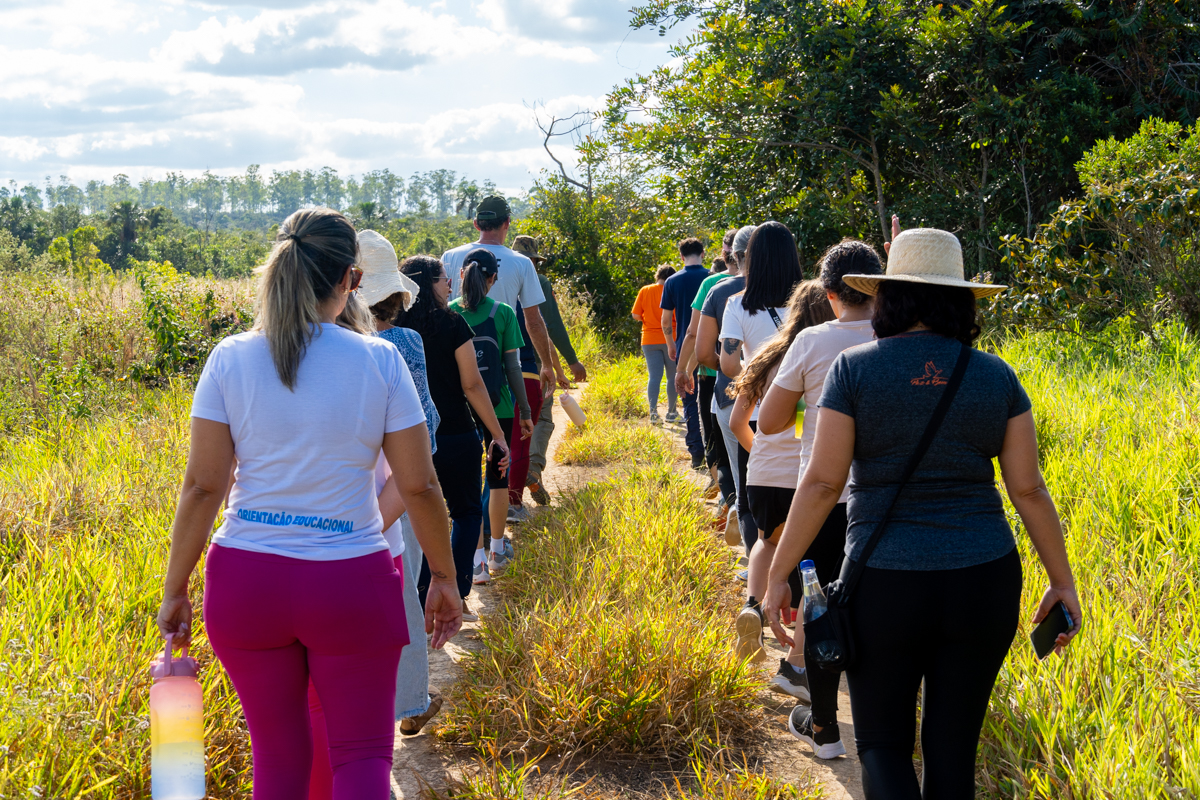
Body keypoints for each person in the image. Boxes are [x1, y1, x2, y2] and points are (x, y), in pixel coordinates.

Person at [155, 208, 462, 799]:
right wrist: (443, 578)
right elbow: (420, 486)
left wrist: (176, 588)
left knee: (276, 758)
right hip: (350, 582)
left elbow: (202, 487)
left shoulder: (230, 357)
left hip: (245, 583)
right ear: (351, 280)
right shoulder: (380, 361)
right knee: (362, 757)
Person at [763, 228, 1082, 795]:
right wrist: (1062, 582)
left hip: (885, 584)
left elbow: (821, 484)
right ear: (960, 299)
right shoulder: (996, 375)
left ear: (888, 296)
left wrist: (781, 575)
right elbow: (1028, 490)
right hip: (984, 580)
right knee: (953, 747)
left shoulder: (854, 370)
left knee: (883, 746)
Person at [748, 240, 883, 743]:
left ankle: (823, 725)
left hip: (824, 493)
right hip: (883, 494)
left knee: (820, 601)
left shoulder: (811, 342)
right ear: (878, 287)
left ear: (828, 294)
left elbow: (773, 421)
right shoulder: (894, 334)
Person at [729, 280, 833, 681]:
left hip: (762, 474)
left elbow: (739, 422)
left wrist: (763, 456)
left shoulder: (767, 356)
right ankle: (800, 656)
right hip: (802, 476)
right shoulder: (820, 355)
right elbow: (805, 428)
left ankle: (752, 607)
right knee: (812, 564)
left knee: (765, 543)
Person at [394, 254, 511, 599]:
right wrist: (498, 434)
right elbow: (472, 385)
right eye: (443, 278)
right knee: (466, 510)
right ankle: (455, 590)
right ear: (426, 284)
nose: (450, 284)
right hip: (455, 432)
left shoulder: (392, 327)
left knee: (417, 512)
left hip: (406, 438)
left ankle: (420, 587)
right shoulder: (453, 323)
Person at [442, 197, 565, 524]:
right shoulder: (522, 263)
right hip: (510, 359)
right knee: (513, 436)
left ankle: (467, 512)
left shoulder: (451, 257)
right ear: (507, 223)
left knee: (468, 439)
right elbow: (534, 321)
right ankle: (509, 503)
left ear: (475, 224)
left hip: (458, 362)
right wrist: (548, 364)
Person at [717, 221, 804, 660]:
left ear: (747, 258)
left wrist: (754, 370)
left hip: (764, 432)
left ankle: (753, 605)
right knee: (813, 544)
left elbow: (729, 363)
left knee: (766, 541)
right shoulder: (811, 305)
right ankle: (802, 632)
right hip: (812, 434)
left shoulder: (737, 304)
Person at [449, 248, 532, 583]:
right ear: (493, 278)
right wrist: (524, 410)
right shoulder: (504, 313)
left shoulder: (450, 313)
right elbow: (512, 366)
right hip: (498, 408)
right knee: (498, 477)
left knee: (468, 483)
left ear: (461, 277)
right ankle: (497, 550)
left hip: (460, 411)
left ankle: (476, 560)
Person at [511, 235, 586, 508]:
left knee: (509, 422)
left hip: (497, 363)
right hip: (531, 363)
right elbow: (549, 326)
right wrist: (570, 361)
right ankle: (533, 468)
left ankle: (506, 490)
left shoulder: (497, 274)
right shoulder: (538, 281)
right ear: (534, 261)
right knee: (541, 417)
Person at [697, 225, 756, 554]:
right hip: (793, 403)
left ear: (733, 256)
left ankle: (752, 558)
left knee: (743, 473)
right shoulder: (796, 291)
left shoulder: (722, 293)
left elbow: (705, 353)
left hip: (733, 399)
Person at [676, 228, 741, 510]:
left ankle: (727, 495)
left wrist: (683, 369)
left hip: (716, 376)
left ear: (725, 254)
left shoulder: (713, 285)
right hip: (768, 382)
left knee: (716, 435)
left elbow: (693, 334)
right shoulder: (777, 284)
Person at [660, 237, 711, 469]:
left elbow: (665, 321)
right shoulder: (713, 278)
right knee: (711, 398)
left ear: (681, 257)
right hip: (713, 346)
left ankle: (696, 451)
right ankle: (714, 450)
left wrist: (671, 343)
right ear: (703, 253)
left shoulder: (672, 281)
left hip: (685, 345)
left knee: (689, 397)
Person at [632, 264, 678, 423]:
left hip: (649, 339)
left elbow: (635, 314)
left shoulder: (645, 290)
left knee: (654, 377)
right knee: (672, 376)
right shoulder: (673, 290)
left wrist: (647, 319)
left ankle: (653, 413)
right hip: (670, 338)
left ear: (657, 276)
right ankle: (672, 413)